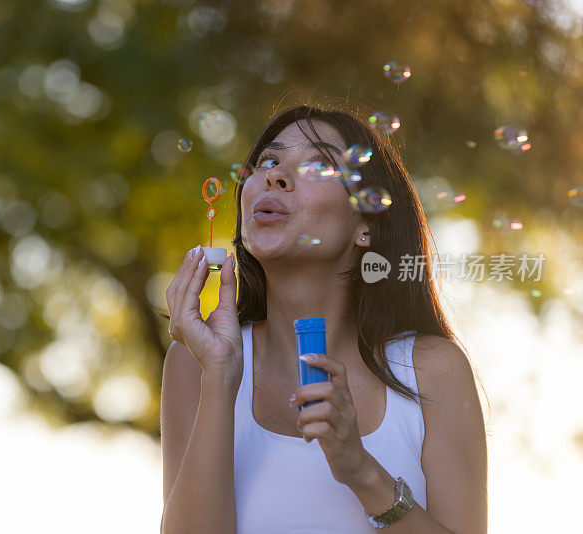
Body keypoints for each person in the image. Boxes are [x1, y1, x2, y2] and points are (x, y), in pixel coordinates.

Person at [158, 104, 488, 533]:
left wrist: (361, 470)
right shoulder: (193, 364)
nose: (274, 176)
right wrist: (219, 378)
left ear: (365, 224)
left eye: (319, 165)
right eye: (269, 162)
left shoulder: (431, 371)